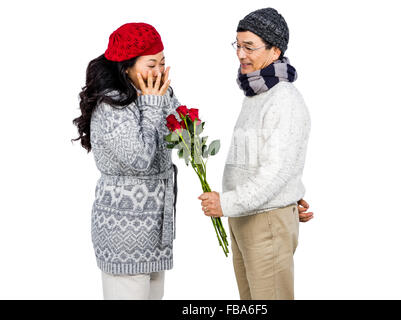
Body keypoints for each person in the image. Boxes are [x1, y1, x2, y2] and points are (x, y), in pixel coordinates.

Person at [198, 8, 313, 300]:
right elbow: (266, 163)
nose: (240, 54)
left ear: (275, 51)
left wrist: (226, 202)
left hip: (265, 222)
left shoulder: (283, 99)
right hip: (244, 218)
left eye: (250, 46)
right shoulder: (256, 95)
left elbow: (276, 173)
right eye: (237, 45)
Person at [72, 22, 182, 300]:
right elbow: (141, 160)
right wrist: (155, 104)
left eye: (163, 62)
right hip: (124, 234)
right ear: (126, 67)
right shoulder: (112, 105)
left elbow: (181, 135)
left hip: (156, 232)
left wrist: (163, 102)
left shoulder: (155, 94)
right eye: (151, 64)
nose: (158, 72)